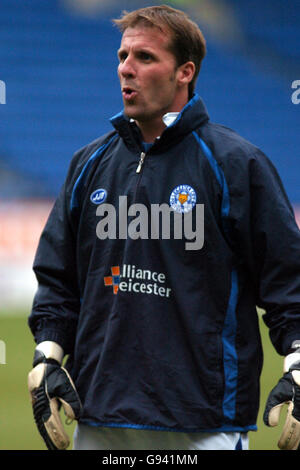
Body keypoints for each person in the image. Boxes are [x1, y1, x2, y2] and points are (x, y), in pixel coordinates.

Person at [27, 5, 300, 451]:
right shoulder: (88, 164)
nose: (126, 70)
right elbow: (59, 277)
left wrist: (297, 360)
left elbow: (288, 278)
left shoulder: (236, 164)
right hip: (98, 417)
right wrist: (48, 354)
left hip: (201, 425)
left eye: (145, 58)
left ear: (184, 72)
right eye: (122, 56)